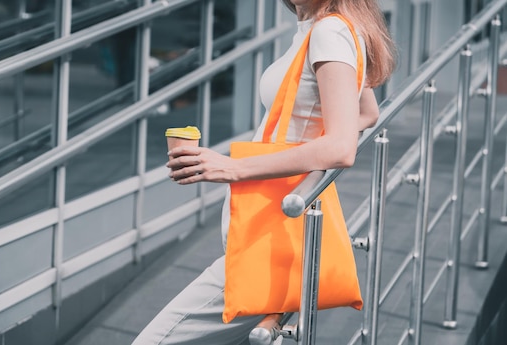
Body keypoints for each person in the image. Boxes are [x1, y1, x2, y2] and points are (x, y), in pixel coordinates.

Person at [132, 0, 396, 344]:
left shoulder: (330, 32)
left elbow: (341, 147)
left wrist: (233, 166)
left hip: (272, 245)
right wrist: (307, 138)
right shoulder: (319, 28)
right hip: (268, 236)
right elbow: (367, 111)